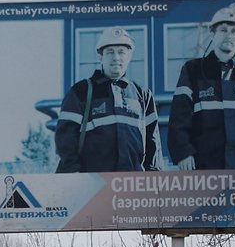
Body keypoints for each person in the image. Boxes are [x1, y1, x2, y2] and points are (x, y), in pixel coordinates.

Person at [169, 3, 235, 169]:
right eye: (223, 30)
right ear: (212, 33)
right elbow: (179, 117)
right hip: (203, 168)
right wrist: (183, 152)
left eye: (234, 31)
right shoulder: (193, 70)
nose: (229, 36)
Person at [55, 26, 162, 173]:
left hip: (133, 186)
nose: (116, 57)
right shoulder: (81, 91)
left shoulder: (142, 94)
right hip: (91, 185)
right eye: (110, 52)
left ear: (129, 57)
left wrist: (154, 178)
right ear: (100, 56)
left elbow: (153, 142)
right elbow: (66, 139)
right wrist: (75, 176)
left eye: (121, 52)